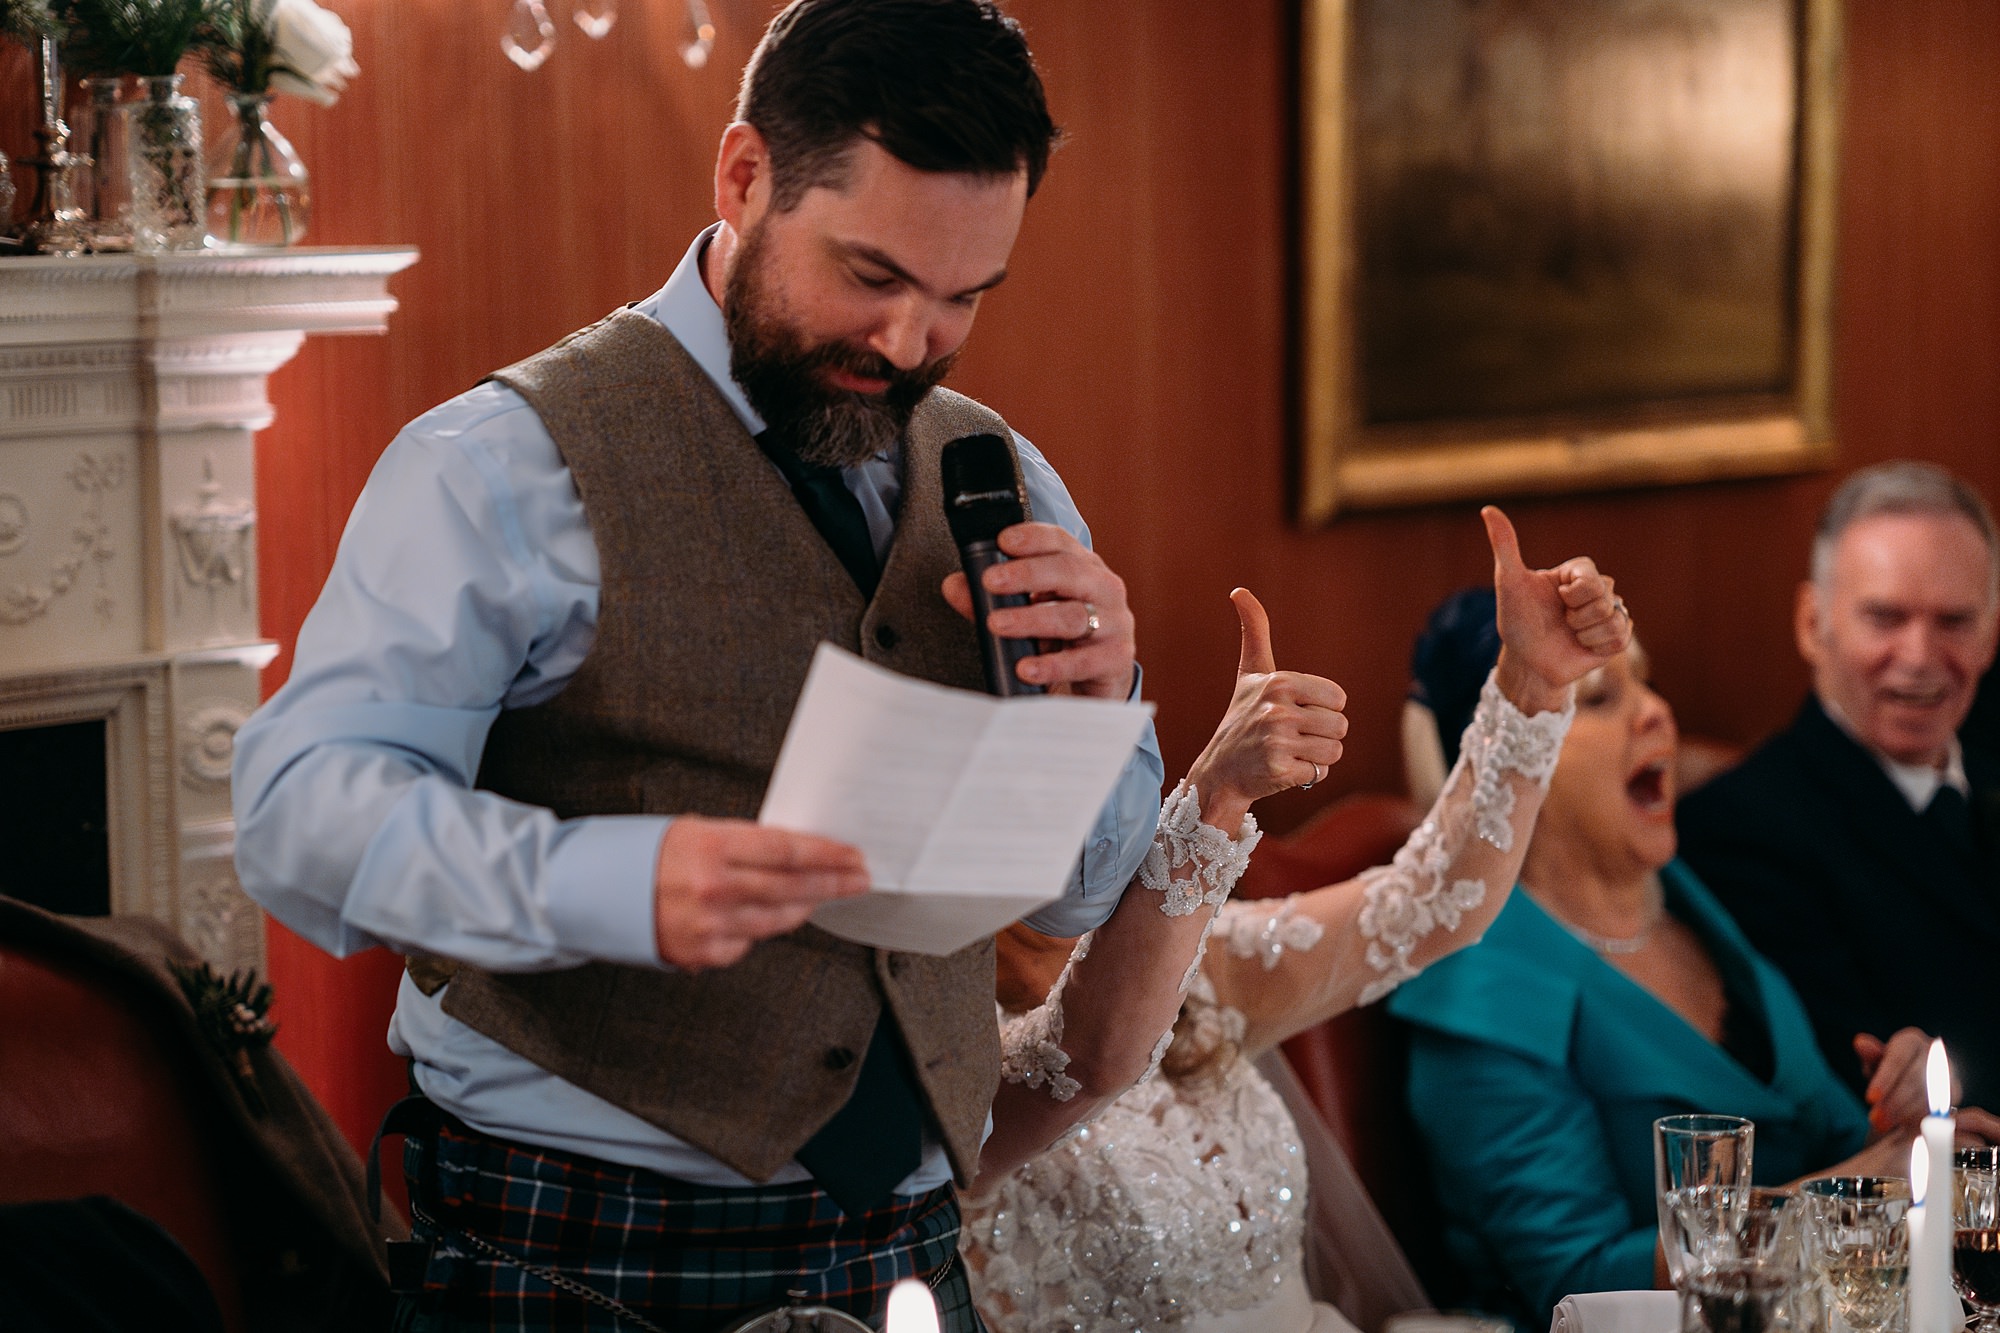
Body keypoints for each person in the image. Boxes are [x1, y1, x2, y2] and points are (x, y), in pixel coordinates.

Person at [230, 3, 1166, 1328]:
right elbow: (294, 815)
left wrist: (1099, 707)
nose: (911, 345)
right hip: (582, 1256)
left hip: (910, 1258)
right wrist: (605, 881)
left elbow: (1075, 902)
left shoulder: (1004, 478)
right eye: (875, 276)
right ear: (744, 177)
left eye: (962, 299)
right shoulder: (500, 467)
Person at [962, 507, 1635, 1333]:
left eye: (1095, 717)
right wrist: (1216, 796)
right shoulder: (929, 1051)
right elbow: (1094, 1053)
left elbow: (1430, 903)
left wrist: (1532, 687)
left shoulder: (1200, 966)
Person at [1386, 609, 2000, 1330]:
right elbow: (1573, 1281)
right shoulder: (1479, 992)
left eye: (1645, 683)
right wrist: (1856, 1187)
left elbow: (1826, 1131)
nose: (1656, 712)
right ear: (1508, 764)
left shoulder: (1685, 895)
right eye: (1602, 699)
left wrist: (1904, 1123)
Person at [1676, 462, 2000, 1110]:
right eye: (1885, 617)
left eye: (1954, 621)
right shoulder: (1737, 829)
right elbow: (1852, 1092)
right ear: (1811, 623)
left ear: (1992, 630)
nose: (1919, 655)